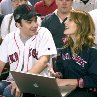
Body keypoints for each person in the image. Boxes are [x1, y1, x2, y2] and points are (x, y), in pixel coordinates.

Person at [0, 4, 57, 97]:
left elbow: (43, 61)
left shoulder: (43, 33)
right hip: (13, 82)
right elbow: (0, 63)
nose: (35, 25)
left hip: (38, 84)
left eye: (35, 20)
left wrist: (22, 82)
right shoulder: (9, 38)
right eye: (29, 22)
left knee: (9, 93)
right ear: (18, 24)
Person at [50, 10, 97, 97]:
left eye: (70, 20)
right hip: (66, 91)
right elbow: (61, 70)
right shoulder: (65, 49)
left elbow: (95, 79)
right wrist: (58, 74)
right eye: (66, 19)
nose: (65, 22)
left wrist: (69, 82)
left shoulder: (93, 51)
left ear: (81, 25)